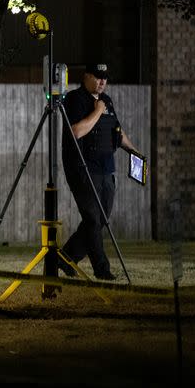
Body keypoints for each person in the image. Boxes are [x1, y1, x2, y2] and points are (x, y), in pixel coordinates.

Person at [58, 63, 140, 280]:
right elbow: (76, 131)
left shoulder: (107, 101)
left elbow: (117, 132)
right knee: (93, 219)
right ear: (86, 77)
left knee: (100, 219)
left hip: (106, 168)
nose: (102, 81)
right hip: (82, 168)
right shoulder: (75, 99)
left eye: (105, 78)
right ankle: (102, 270)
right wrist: (97, 111)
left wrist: (135, 152)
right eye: (98, 77)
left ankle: (66, 256)